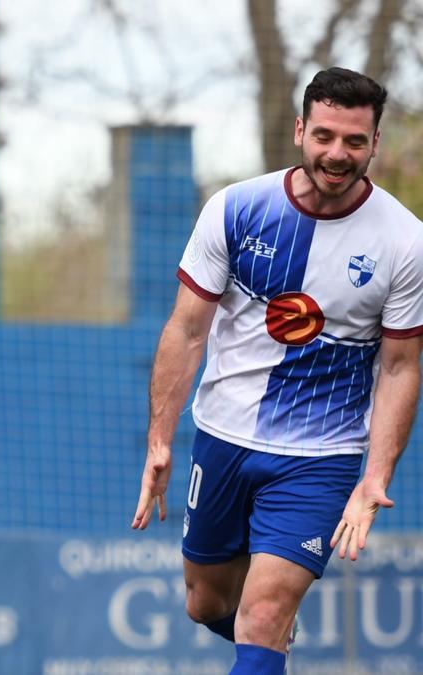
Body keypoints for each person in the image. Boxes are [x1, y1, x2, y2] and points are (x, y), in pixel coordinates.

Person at [132, 66, 422, 674]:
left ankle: (265, 642)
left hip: (322, 458)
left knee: (263, 615)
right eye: (324, 136)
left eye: (355, 141)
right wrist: (160, 439)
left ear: (376, 144)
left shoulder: (404, 242)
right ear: (300, 131)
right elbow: (187, 331)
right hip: (222, 439)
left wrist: (374, 479)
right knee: (204, 602)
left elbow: (399, 367)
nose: (337, 154)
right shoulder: (236, 209)